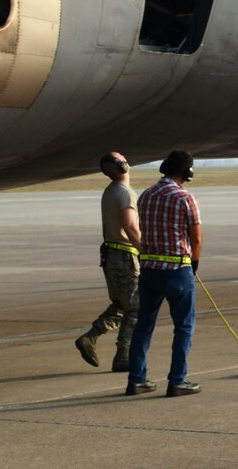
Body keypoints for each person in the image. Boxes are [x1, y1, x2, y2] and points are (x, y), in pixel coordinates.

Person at [125, 149, 203, 398]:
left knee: (143, 325)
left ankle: (137, 380)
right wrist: (194, 263)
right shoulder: (185, 197)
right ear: (187, 172)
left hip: (149, 270)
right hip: (178, 270)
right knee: (183, 327)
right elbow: (196, 238)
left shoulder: (146, 195)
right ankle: (177, 380)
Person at [74, 151, 142, 371]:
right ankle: (123, 356)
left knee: (121, 304)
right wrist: (145, 251)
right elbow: (131, 227)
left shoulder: (111, 190)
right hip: (124, 256)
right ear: (122, 166)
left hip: (112, 255)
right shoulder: (124, 193)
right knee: (135, 308)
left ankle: (90, 337)